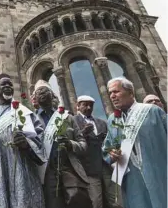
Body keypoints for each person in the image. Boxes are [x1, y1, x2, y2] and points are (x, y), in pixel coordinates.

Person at [103, 77, 167, 208]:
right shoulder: (112, 120)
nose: (112, 96)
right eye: (110, 93)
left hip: (160, 171)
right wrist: (112, 154)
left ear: (131, 92)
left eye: (116, 92)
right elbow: (107, 147)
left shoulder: (152, 111)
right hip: (132, 179)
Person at [0, 74, 46, 208]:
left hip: (22, 164)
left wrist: (27, 143)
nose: (8, 86)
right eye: (4, 85)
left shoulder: (25, 112)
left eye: (10, 85)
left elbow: (40, 137)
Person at [34, 80, 91, 208]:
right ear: (35, 98)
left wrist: (70, 144)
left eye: (45, 91)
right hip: (48, 174)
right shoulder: (32, 120)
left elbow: (83, 144)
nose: (42, 94)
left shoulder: (67, 117)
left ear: (52, 94)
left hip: (70, 169)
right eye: (38, 92)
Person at [74, 95, 120, 208]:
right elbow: (71, 142)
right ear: (78, 106)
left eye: (91, 105)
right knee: (96, 202)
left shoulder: (102, 122)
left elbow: (111, 142)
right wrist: (82, 134)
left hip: (107, 166)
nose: (89, 107)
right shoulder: (72, 121)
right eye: (85, 105)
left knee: (116, 201)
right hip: (89, 169)